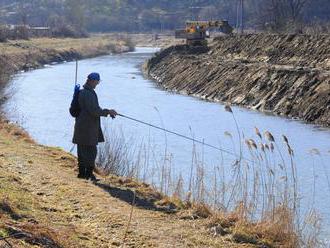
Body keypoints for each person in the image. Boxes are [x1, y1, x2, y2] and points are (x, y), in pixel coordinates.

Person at [72, 72, 117, 182]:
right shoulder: (88, 93)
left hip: (81, 127)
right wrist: (108, 111)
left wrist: (106, 112)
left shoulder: (83, 92)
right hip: (88, 128)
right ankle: (88, 175)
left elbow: (93, 109)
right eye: (97, 81)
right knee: (91, 152)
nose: (98, 84)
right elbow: (94, 111)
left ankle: (83, 174)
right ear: (92, 80)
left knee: (82, 151)